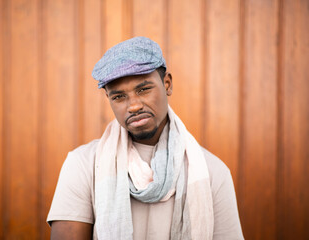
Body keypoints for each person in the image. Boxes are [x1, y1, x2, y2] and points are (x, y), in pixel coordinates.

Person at [47, 36, 244, 240]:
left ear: (167, 84)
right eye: (119, 97)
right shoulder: (83, 164)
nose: (133, 106)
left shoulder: (211, 171)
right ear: (109, 100)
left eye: (143, 89)